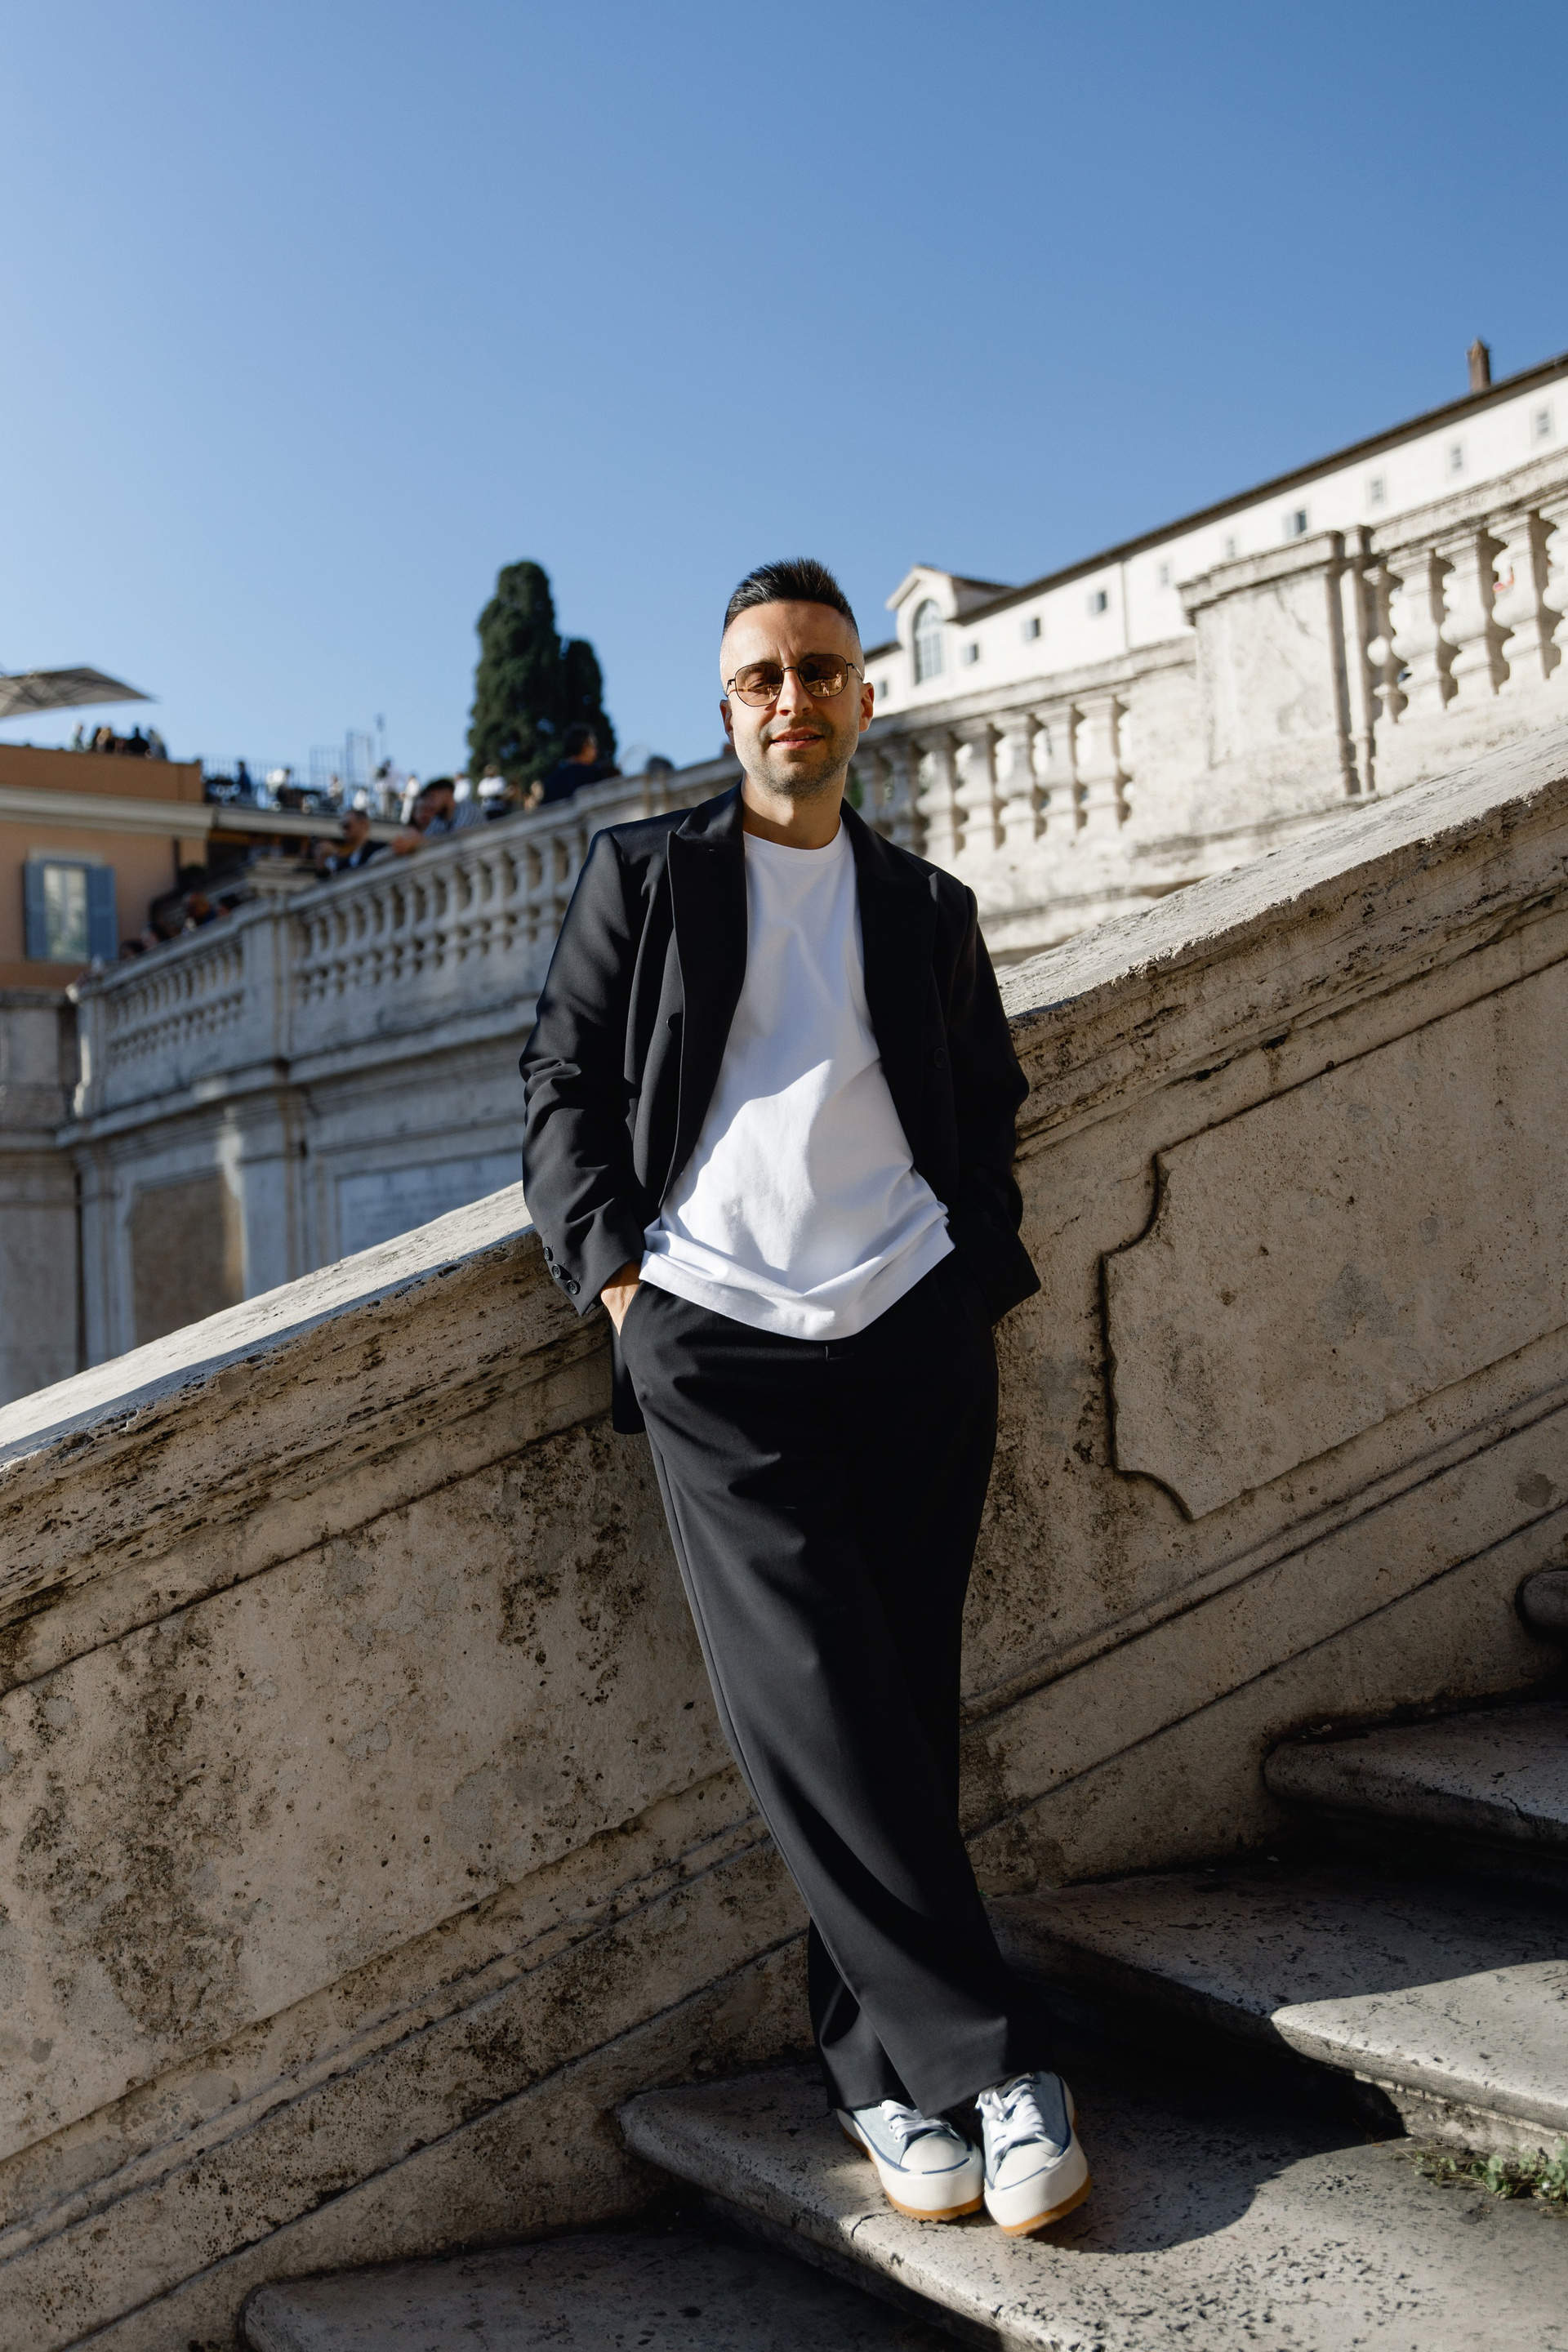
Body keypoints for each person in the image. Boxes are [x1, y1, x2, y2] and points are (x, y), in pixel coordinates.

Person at [519, 558, 1090, 2239]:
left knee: (900, 1704)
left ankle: (877, 2080)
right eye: (764, 676)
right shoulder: (645, 877)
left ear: (864, 696)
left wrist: (971, 1274)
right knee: (813, 1704)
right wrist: (624, 1292)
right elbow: (559, 1085)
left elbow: (986, 1104)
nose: (794, 698)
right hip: (717, 1342)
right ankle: (995, 2061)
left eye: (822, 671)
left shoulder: (926, 909)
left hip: (911, 1328)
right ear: (727, 710)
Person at [391, 774, 484, 853]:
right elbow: (427, 836)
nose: (429, 804)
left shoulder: (467, 808)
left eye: (432, 797)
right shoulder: (438, 820)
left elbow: (460, 838)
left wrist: (419, 841)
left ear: (447, 792)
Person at [537, 724, 617, 805]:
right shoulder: (594, 774)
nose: (596, 751)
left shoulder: (550, 782)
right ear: (584, 746)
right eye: (594, 745)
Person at [313, 806, 385, 877]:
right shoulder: (346, 862)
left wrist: (337, 853)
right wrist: (321, 861)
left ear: (363, 825)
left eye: (348, 826)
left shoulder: (379, 849)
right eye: (343, 827)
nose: (344, 832)